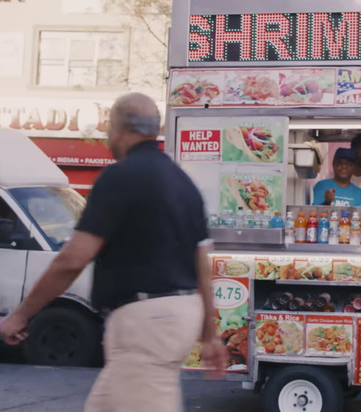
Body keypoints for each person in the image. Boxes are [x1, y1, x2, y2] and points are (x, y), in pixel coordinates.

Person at [0, 92, 227, 411]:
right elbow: (202, 263)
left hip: (146, 323)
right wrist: (210, 335)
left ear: (119, 131)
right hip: (179, 314)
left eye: (108, 131)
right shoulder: (183, 183)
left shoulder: (120, 177)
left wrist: (21, 315)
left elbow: (73, 259)